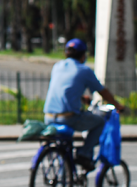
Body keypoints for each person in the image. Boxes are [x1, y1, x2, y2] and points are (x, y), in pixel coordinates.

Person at [44, 38, 124, 171]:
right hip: (68, 118)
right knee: (100, 122)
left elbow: (64, 90)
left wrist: (80, 98)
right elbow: (102, 91)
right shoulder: (84, 70)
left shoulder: (57, 66)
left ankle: (68, 170)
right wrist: (118, 105)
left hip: (48, 117)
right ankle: (85, 153)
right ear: (83, 55)